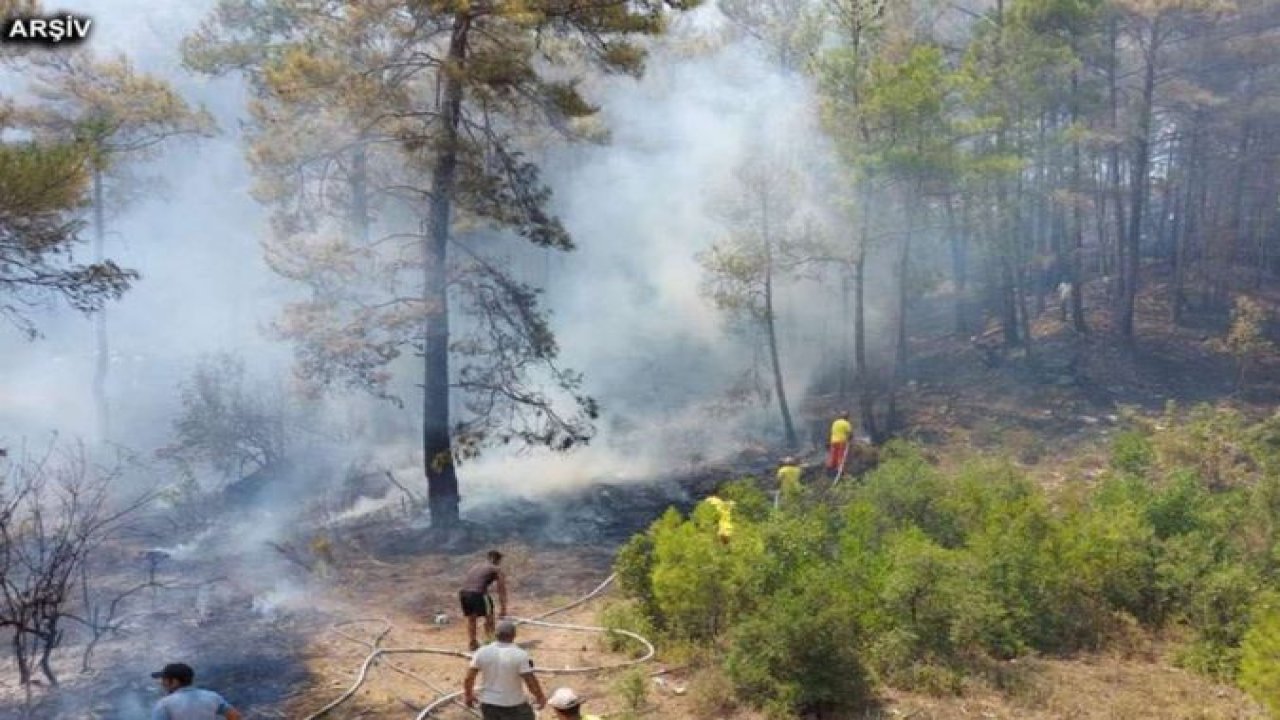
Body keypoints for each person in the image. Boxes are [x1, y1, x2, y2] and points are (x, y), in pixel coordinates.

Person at [464, 620, 547, 720]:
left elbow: (469, 677)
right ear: (514, 635)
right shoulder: (520, 654)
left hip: (489, 704)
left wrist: (468, 695)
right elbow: (530, 681)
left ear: (495, 634)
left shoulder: (482, 652)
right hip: (514, 703)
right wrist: (540, 696)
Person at [150, 663, 242, 720]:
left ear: (174, 681)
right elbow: (235, 716)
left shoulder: (164, 704)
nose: (162, 683)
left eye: (164, 680)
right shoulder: (212, 697)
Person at [460, 549, 509, 651]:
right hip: (479, 594)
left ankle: (472, 643)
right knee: (490, 618)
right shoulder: (496, 569)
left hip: (464, 593)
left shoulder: (476, 566)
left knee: (472, 619)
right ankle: (491, 643)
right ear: (498, 560)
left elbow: (470, 581)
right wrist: (503, 608)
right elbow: (501, 590)